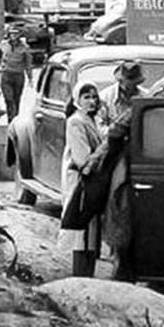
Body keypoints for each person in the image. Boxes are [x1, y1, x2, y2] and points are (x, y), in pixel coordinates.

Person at [60, 81, 105, 277]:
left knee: (91, 230)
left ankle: (88, 273)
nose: (92, 101)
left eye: (94, 97)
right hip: (80, 178)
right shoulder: (76, 121)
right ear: (77, 100)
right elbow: (82, 158)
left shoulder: (93, 120)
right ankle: (80, 273)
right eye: (86, 97)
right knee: (80, 228)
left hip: (91, 178)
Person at [0, 26, 32, 121]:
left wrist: (30, 77)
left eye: (15, 34)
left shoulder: (24, 47)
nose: (13, 36)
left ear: (19, 35)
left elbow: (28, 63)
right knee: (8, 98)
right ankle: (11, 118)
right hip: (6, 74)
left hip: (18, 75)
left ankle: (15, 119)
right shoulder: (4, 45)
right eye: (12, 34)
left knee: (16, 99)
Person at [98, 61, 145, 131]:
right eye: (126, 82)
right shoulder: (105, 97)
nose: (129, 86)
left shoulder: (145, 96)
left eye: (133, 83)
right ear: (120, 81)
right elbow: (99, 126)